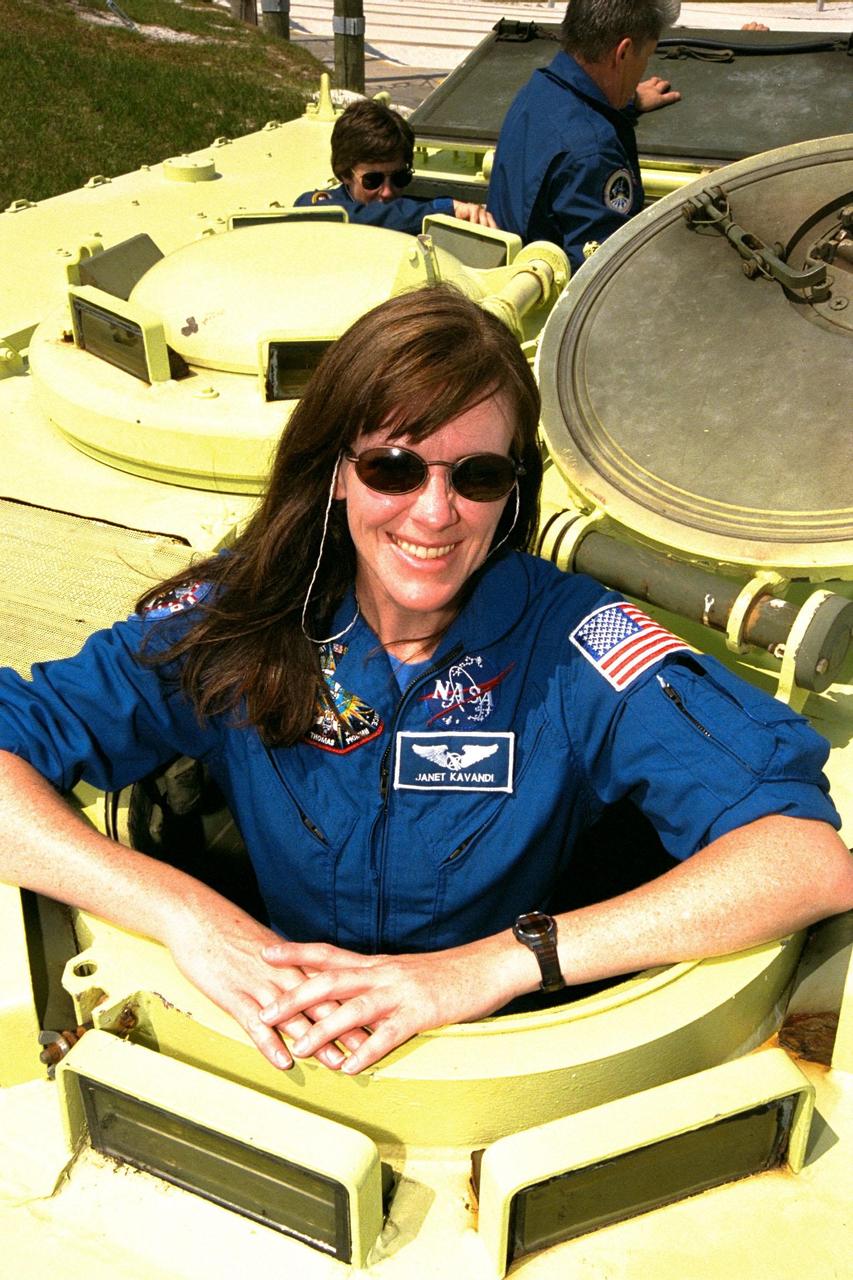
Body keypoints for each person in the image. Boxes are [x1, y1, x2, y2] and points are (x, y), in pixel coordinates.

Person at [0, 286, 850, 1078]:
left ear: (511, 491)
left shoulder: (579, 647)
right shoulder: (239, 618)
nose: (435, 512)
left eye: (476, 476)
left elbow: (802, 858)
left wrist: (495, 966)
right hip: (265, 1039)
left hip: (492, 1055)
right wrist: (182, 911)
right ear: (336, 469)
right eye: (394, 468)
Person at [488, 0, 683, 272]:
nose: (644, 67)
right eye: (647, 56)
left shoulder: (537, 91)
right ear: (623, 53)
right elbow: (604, 277)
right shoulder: (593, 152)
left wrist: (629, 98)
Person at [295, 98, 495, 233]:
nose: (388, 192)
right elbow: (356, 218)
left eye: (400, 178)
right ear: (345, 173)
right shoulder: (317, 206)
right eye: (373, 180)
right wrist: (444, 209)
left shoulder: (409, 213)